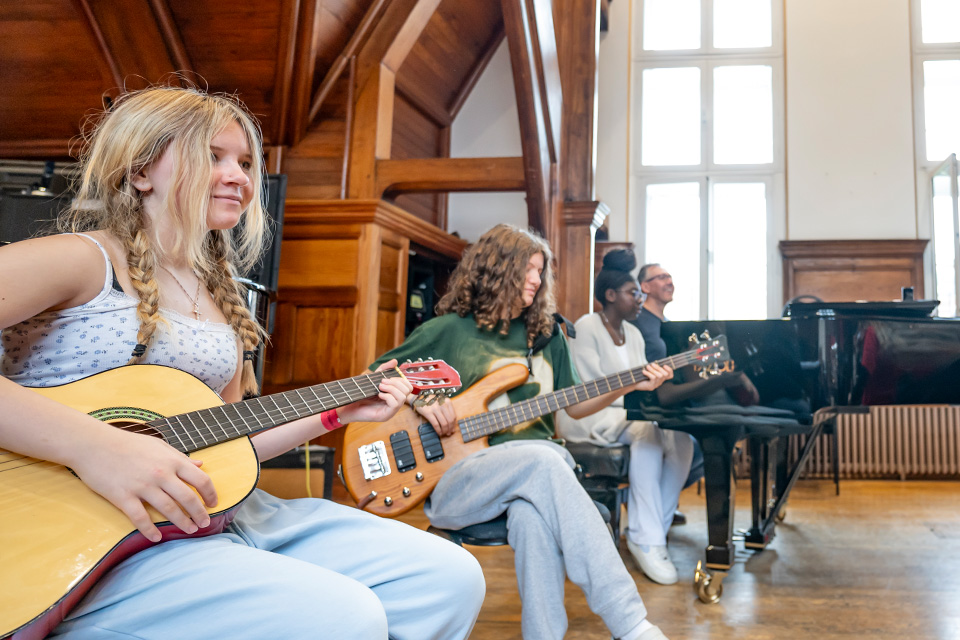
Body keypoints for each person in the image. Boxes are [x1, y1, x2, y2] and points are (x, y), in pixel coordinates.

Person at [0, 85, 484, 639]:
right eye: (213, 156)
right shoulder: (82, 259)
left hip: (223, 514)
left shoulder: (219, 291)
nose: (241, 177)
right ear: (140, 172)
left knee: (448, 577)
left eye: (247, 162)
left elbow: (229, 445)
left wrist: (337, 413)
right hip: (94, 531)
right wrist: (94, 446)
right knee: (342, 614)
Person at [370, 224, 674, 640]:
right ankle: (631, 624)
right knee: (544, 459)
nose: (536, 279)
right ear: (497, 270)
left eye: (540, 271)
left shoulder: (546, 336)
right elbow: (375, 378)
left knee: (535, 513)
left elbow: (576, 404)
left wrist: (629, 382)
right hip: (458, 479)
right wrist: (422, 402)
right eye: (528, 269)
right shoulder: (449, 331)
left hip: (537, 476)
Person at [557, 250, 694, 586]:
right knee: (647, 434)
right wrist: (635, 383)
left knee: (682, 438)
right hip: (588, 417)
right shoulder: (588, 326)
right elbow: (589, 391)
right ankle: (646, 540)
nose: (640, 298)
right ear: (610, 295)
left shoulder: (633, 334)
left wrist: (653, 382)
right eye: (634, 293)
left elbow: (638, 383)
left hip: (625, 414)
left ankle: (650, 533)